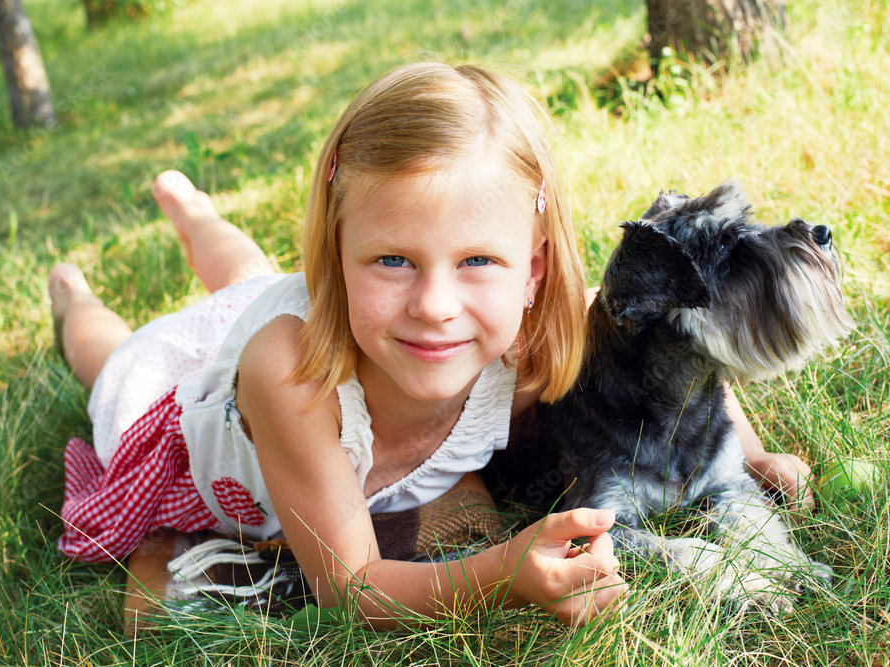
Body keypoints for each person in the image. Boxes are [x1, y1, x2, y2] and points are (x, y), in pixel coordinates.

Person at [49, 62, 811, 630]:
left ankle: (196, 211)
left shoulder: (542, 327)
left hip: (297, 306)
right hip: (195, 407)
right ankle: (72, 292)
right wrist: (499, 574)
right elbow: (351, 588)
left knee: (246, 275)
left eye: (478, 260)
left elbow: (672, 353)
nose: (436, 306)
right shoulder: (292, 376)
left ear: (532, 269)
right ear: (336, 250)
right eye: (393, 259)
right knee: (112, 356)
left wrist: (750, 453)